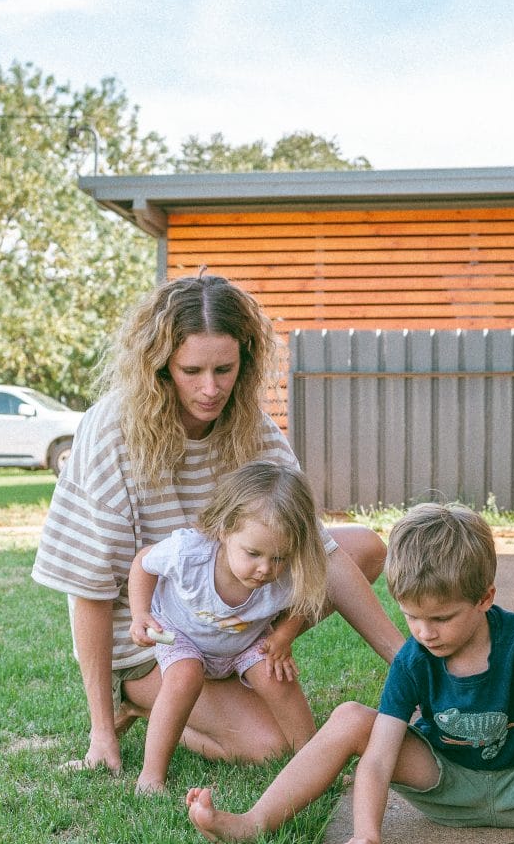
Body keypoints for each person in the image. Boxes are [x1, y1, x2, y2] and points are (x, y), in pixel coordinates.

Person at [32, 273, 404, 774]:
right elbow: (88, 589)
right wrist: (100, 732)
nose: (210, 390)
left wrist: (409, 667)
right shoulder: (111, 431)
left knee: (360, 547)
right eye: (192, 371)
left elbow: (319, 551)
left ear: (244, 361)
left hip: (228, 611)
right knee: (274, 745)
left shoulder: (249, 424)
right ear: (160, 366)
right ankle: (141, 701)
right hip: (151, 636)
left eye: (224, 370)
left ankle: (239, 653)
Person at [185, 502, 514, 844]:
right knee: (349, 717)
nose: (424, 632)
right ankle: (255, 821)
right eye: (412, 616)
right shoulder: (413, 658)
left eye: (441, 617)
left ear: (485, 599)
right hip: (445, 785)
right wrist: (367, 833)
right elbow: (380, 760)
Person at [128, 460, 327, 794]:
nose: (265, 568)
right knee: (183, 677)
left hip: (246, 641)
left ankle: (317, 761)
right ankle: (151, 775)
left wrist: (284, 634)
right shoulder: (188, 553)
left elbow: (303, 602)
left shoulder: (288, 572)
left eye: (278, 558)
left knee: (278, 677)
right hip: (183, 636)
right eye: (253, 553)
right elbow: (143, 563)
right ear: (223, 529)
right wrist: (140, 614)